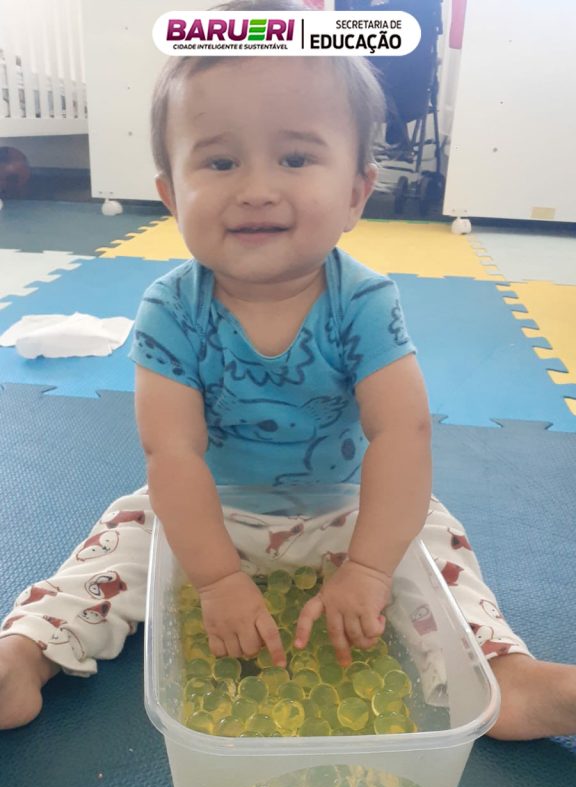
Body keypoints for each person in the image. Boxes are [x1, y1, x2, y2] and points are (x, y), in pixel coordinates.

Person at [0, 7, 575, 741]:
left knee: (432, 535)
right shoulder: (170, 309)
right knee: (120, 533)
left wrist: (369, 570)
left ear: (356, 194)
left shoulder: (364, 301)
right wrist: (217, 580)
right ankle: (25, 657)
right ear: (171, 196)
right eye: (219, 163)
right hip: (210, 512)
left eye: (296, 159)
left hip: (345, 509)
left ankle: (501, 675)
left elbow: (402, 434)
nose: (257, 188)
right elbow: (171, 453)